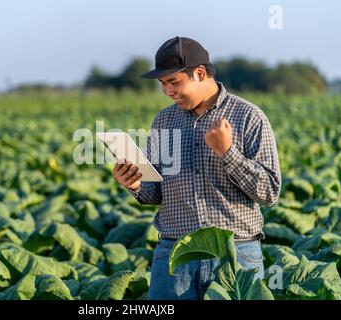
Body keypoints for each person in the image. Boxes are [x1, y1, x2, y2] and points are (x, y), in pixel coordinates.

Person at [112, 36, 281, 300]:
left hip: (234, 254)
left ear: (200, 73)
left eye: (174, 82)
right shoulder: (164, 120)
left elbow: (269, 191)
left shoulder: (248, 116)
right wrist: (134, 184)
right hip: (175, 256)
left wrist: (228, 153)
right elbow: (154, 192)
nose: (168, 91)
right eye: (163, 84)